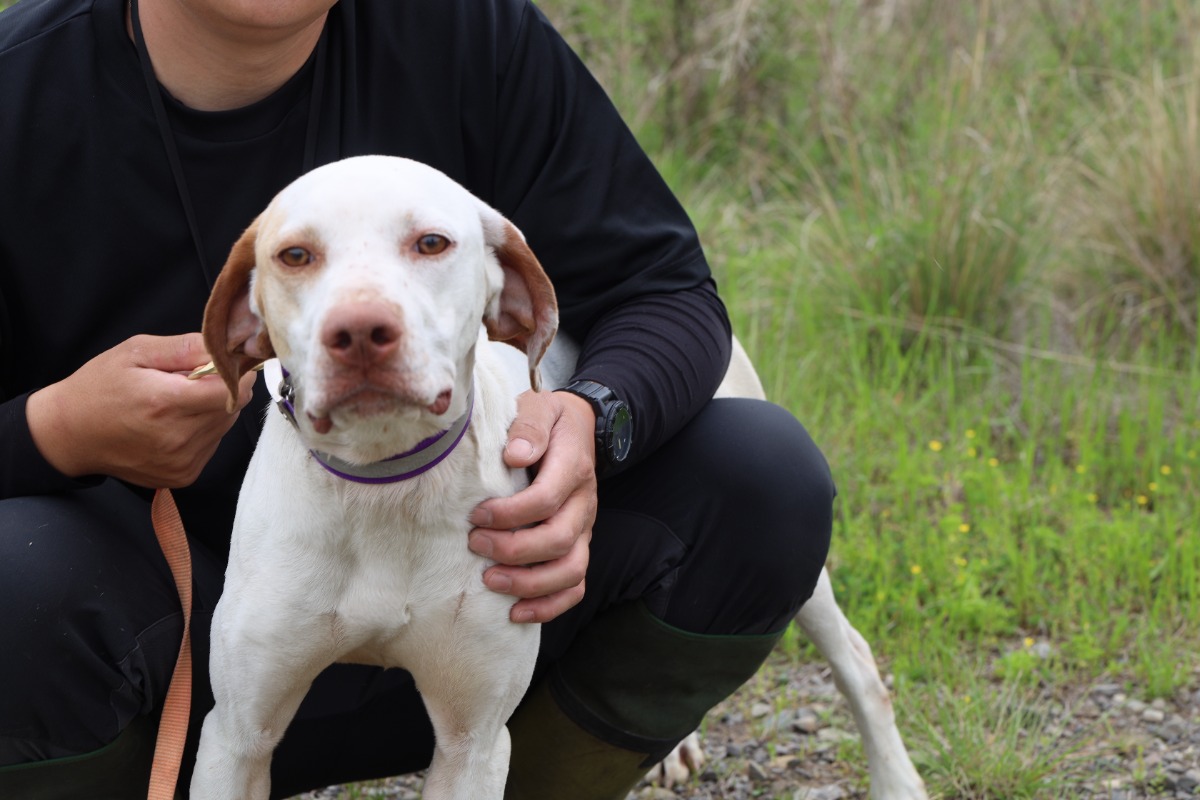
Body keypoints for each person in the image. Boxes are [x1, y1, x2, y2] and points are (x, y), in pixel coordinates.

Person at [0, 0, 835, 797]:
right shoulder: (19, 85)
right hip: (153, 655)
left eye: (429, 245)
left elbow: (667, 292)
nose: (363, 320)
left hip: (486, 568)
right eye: (297, 261)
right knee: (13, 575)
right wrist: (52, 431)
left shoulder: (472, 34)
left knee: (760, 478)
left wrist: (591, 421)